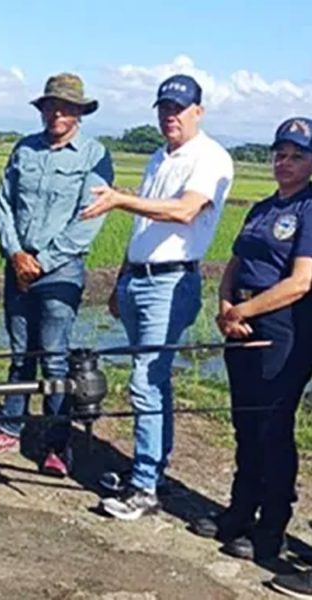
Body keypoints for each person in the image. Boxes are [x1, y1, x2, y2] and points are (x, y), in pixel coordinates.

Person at [80, 74, 234, 520]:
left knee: (146, 381)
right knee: (154, 380)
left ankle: (145, 485)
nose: (170, 115)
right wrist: (121, 280)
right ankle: (153, 470)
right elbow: (144, 227)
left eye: (179, 108)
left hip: (171, 282)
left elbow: (185, 210)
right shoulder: (157, 156)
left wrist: (118, 200)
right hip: (140, 279)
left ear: (198, 112)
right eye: (164, 108)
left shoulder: (210, 158)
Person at [0, 73, 114, 478]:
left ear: (80, 113)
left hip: (60, 272)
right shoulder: (24, 149)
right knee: (19, 357)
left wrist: (43, 262)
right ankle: (9, 428)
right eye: (51, 106)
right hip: (18, 266)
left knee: (53, 360)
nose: (57, 113)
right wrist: (15, 253)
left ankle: (55, 445)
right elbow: (3, 205)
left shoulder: (94, 156)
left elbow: (87, 220)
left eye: (66, 107)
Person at [190, 118, 312, 564]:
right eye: (280, 154)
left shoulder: (309, 208)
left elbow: (301, 281)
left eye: (298, 155)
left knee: (272, 429)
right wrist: (226, 306)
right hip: (240, 323)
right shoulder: (262, 207)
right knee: (244, 424)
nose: (286, 163)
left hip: (283, 329)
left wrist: (246, 310)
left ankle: (272, 527)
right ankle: (239, 511)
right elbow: (234, 263)